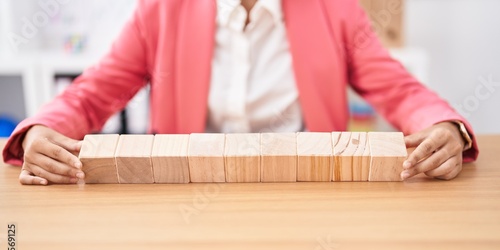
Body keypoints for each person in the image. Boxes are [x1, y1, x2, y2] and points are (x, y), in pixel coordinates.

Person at [2, 0, 478, 185]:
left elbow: (399, 90)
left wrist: (444, 126)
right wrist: (40, 131)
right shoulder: (162, 11)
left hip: (307, 186)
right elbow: (90, 95)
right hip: (182, 188)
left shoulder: (335, 10)